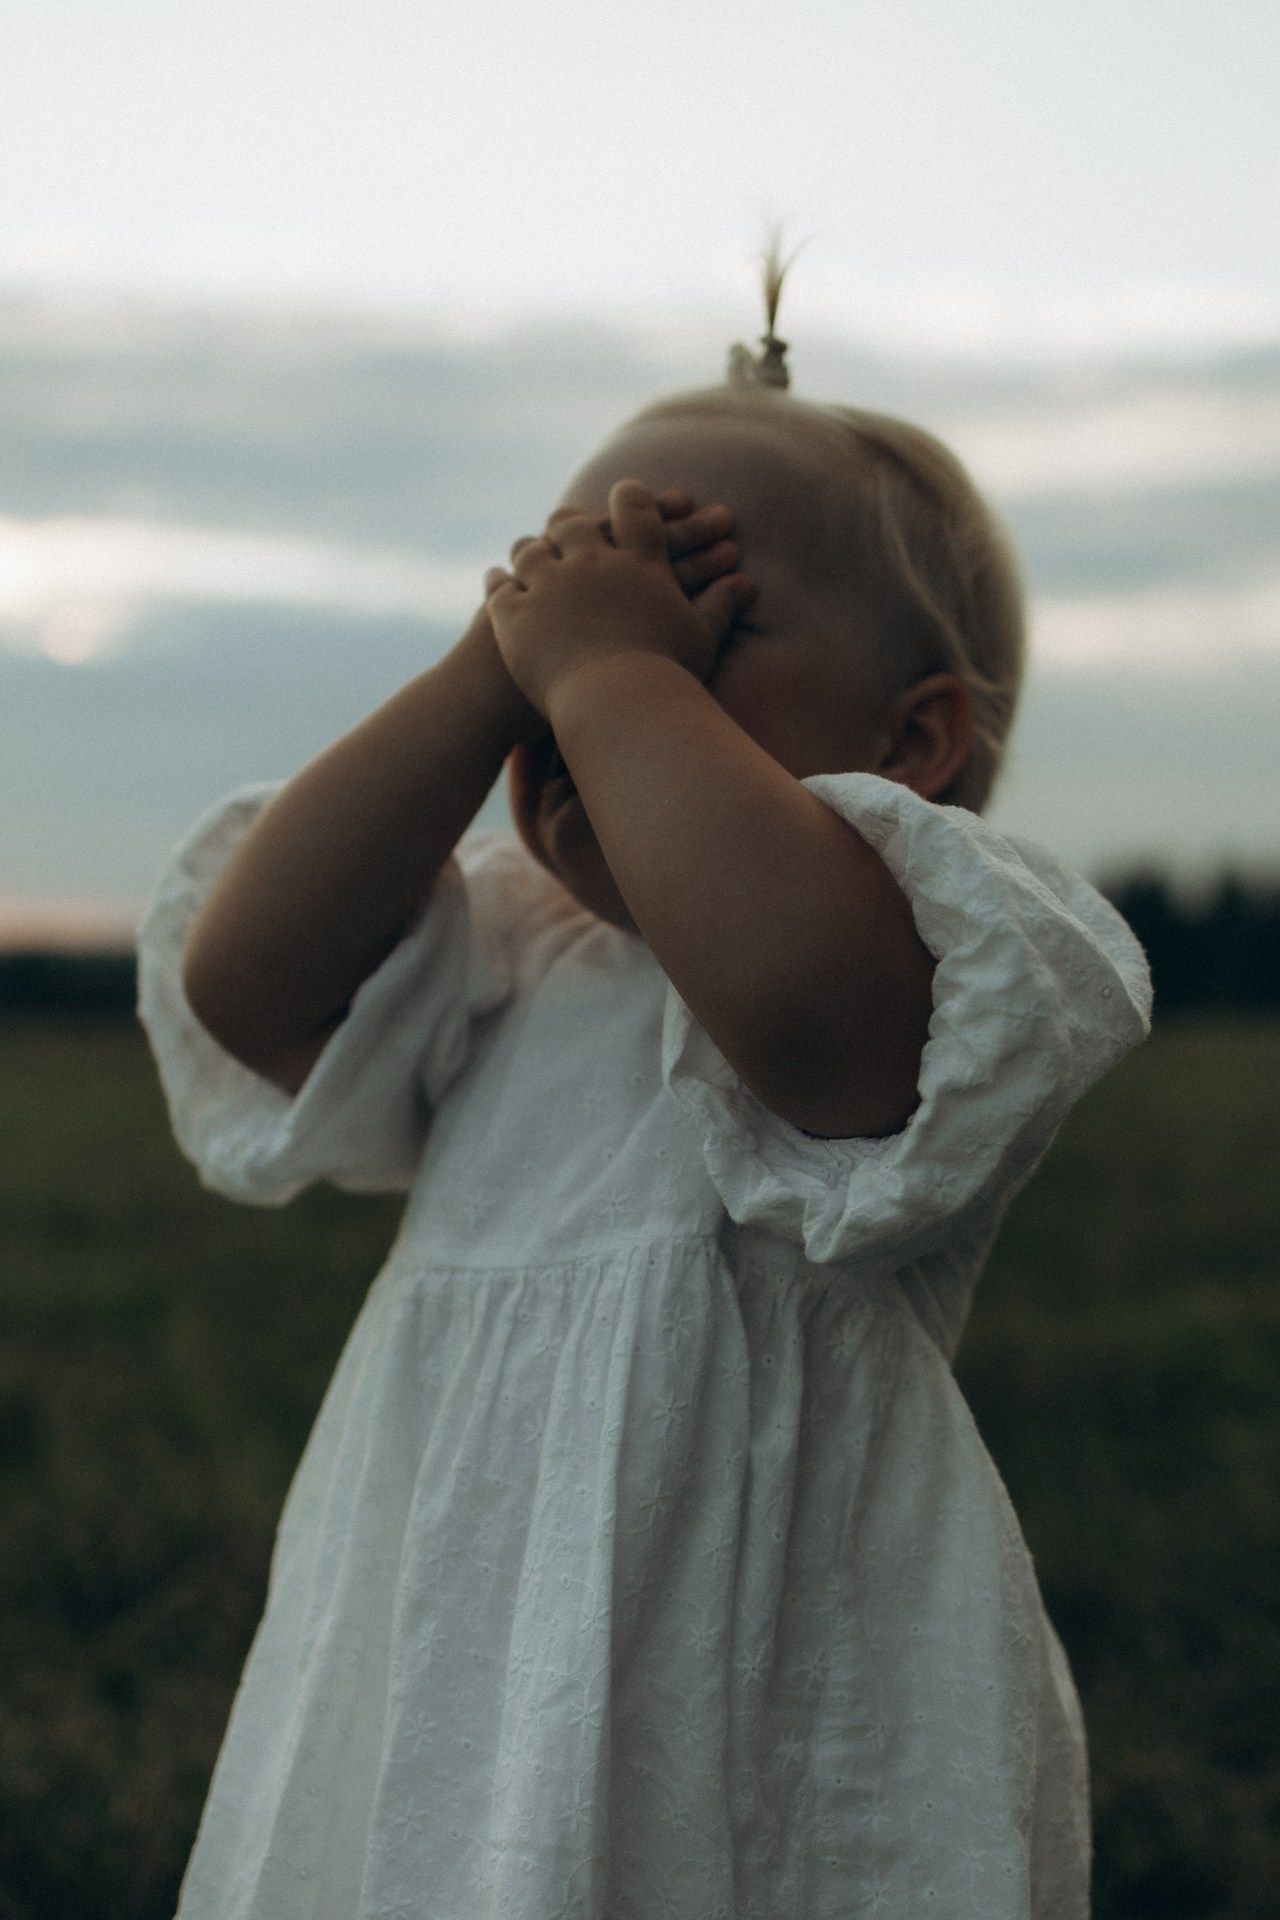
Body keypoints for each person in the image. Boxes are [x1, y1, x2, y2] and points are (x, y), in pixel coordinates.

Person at [138, 255, 1151, 1920]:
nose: (581, 673)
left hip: (749, 1702)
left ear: (915, 745)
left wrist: (614, 675)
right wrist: (494, 665)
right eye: (556, 605)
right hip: (445, 1674)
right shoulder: (511, 957)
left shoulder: (931, 949)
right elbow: (246, 988)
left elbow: (810, 1026)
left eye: (708, 620)